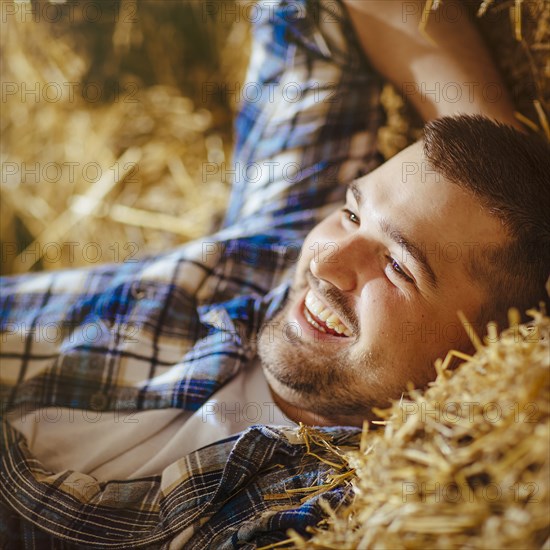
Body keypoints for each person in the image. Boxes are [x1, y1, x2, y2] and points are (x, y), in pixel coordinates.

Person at [1, 0, 548, 547]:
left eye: (399, 266)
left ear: (493, 347)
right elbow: (324, 11)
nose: (326, 264)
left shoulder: (334, 515)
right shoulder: (272, 248)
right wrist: (494, 144)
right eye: (353, 213)